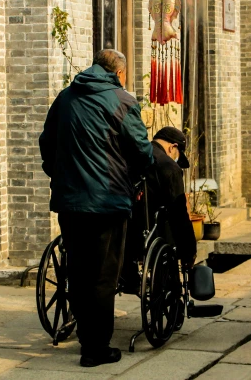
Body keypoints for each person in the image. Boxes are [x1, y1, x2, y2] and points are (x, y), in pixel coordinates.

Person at [39, 49, 154, 368]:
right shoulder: (122, 100)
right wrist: (136, 171)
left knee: (77, 272)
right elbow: (142, 150)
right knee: (104, 275)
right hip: (107, 202)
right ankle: (96, 348)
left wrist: (59, 174)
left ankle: (86, 339)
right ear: (119, 73)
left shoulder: (65, 98)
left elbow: (46, 144)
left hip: (71, 203)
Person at [121, 127, 197, 294]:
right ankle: (170, 286)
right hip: (153, 233)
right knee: (171, 218)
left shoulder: (129, 157)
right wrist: (189, 251)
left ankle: (128, 275)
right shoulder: (169, 167)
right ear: (173, 147)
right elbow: (179, 213)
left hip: (124, 228)